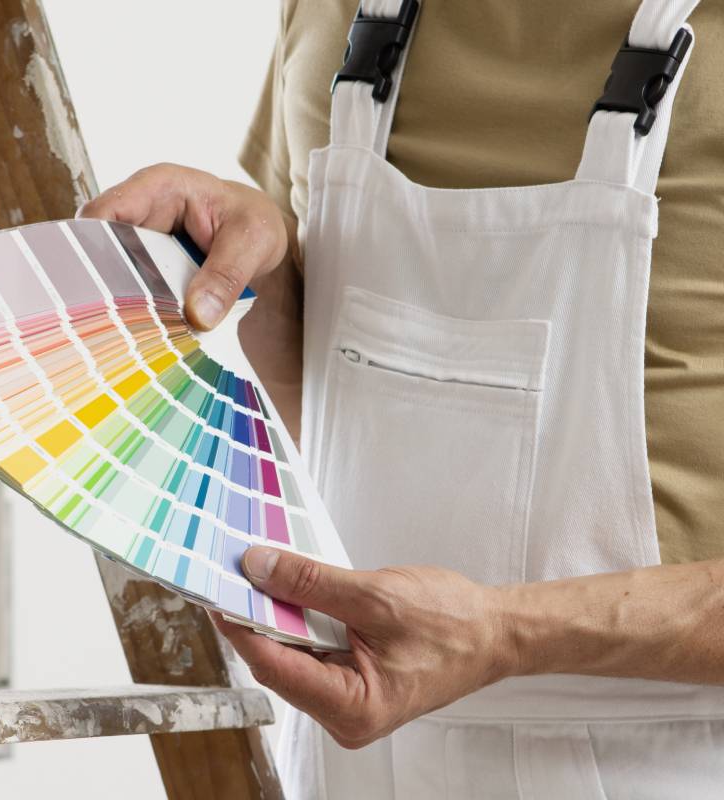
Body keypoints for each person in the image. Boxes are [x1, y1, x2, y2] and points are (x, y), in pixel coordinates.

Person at [79, 0, 724, 797]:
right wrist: (263, 283)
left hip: (667, 761)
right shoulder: (330, 14)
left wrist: (505, 636)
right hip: (349, 757)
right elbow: (340, 417)